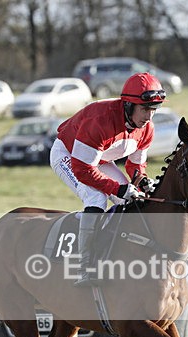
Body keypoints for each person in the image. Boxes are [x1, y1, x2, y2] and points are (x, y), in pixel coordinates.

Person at [50, 72, 166, 287]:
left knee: (133, 201)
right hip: (69, 155)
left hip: (99, 159)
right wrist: (118, 188)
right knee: (96, 199)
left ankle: (121, 255)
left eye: (153, 110)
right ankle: (84, 267)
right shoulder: (100, 121)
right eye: (144, 109)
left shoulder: (146, 129)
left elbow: (135, 164)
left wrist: (140, 181)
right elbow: (83, 169)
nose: (149, 117)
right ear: (128, 105)